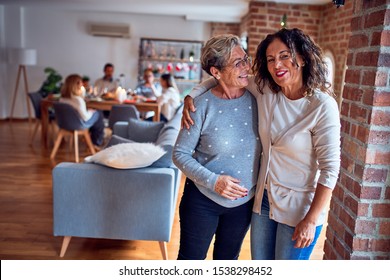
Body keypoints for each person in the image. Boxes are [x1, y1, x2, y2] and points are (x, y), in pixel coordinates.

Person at [182, 28, 341, 260]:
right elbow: (225, 77)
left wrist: (312, 219)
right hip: (263, 203)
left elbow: (330, 169)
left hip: (300, 209)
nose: (277, 64)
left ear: (303, 57)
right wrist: (191, 96)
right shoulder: (266, 90)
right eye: (271, 59)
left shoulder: (322, 106)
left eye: (285, 56)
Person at [172, 34, 261, 260]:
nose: (246, 67)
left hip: (243, 204)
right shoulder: (200, 106)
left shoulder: (259, 100)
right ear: (216, 72)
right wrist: (214, 181)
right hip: (202, 201)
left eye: (246, 59)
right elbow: (180, 154)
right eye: (237, 63)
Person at [60, 74, 105, 147]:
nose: (82, 84)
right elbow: (85, 117)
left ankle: (94, 140)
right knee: (98, 113)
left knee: (96, 117)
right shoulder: (78, 100)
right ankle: (96, 142)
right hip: (78, 124)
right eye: (81, 83)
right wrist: (90, 112)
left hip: (65, 124)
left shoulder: (62, 99)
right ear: (76, 85)